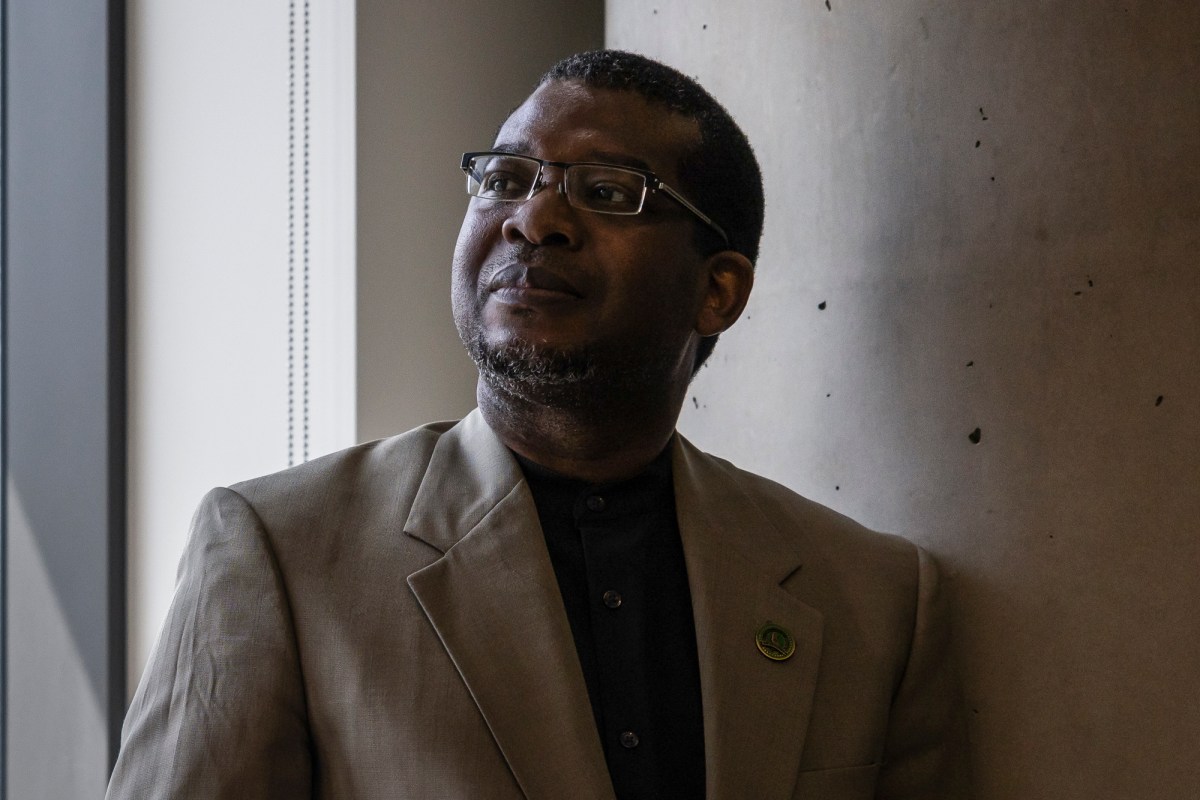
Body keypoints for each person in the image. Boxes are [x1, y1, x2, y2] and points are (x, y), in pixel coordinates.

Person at [107, 50, 970, 799]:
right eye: (506, 179)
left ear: (718, 291)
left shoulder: (876, 601)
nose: (533, 219)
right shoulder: (282, 552)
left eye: (606, 192)